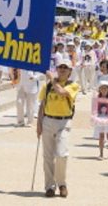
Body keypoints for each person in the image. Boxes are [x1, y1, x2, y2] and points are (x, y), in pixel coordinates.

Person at [37, 57, 80, 198]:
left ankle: (62, 183)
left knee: (61, 154)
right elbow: (42, 105)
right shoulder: (48, 86)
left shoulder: (72, 85)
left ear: (69, 71)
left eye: (65, 68)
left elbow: (62, 92)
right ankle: (49, 186)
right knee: (48, 156)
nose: (62, 69)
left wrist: (53, 80)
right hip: (48, 120)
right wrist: (39, 124)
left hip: (63, 122)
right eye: (60, 67)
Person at [92, 80, 108, 159]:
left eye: (106, 88)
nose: (104, 90)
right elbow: (94, 108)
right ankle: (101, 153)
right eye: (102, 88)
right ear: (99, 90)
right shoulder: (96, 99)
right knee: (101, 136)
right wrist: (95, 117)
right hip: (99, 119)